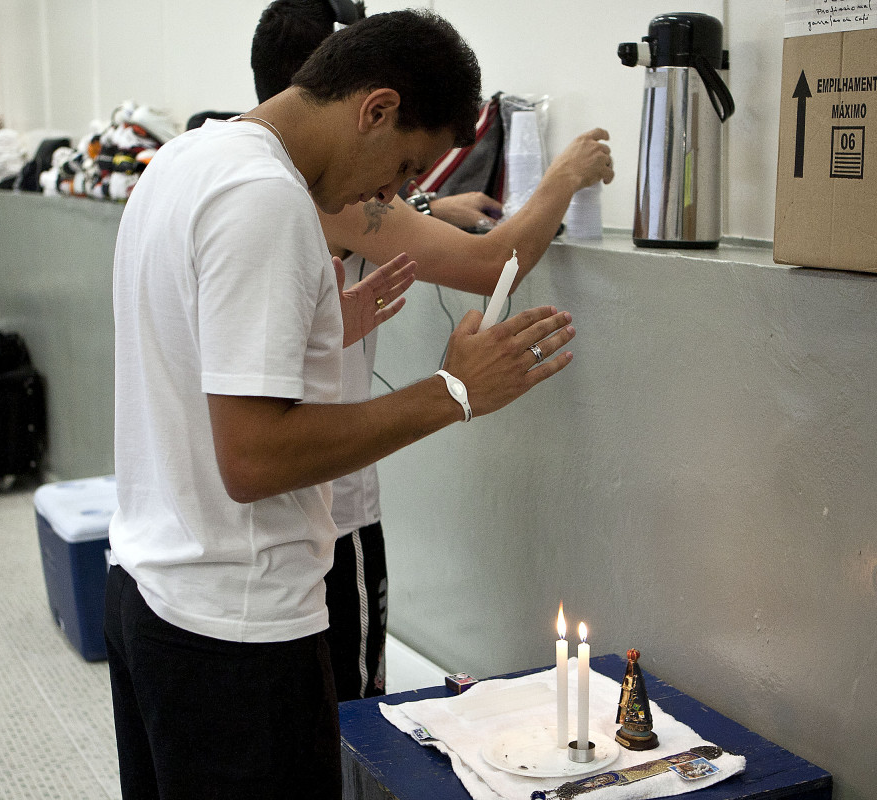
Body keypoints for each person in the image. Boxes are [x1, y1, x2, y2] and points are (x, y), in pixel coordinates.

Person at [104, 10, 576, 798]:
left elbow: (189, 353)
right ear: (377, 108)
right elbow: (254, 460)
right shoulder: (266, 198)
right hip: (236, 631)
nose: (392, 196)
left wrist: (320, 329)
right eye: (405, 167)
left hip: (151, 595)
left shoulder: (187, 158)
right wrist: (452, 390)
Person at [250, 0, 614, 700]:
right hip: (321, 515)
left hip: (260, 542)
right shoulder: (313, 196)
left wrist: (421, 210)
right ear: (361, 102)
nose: (396, 189)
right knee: (344, 712)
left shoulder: (230, 171)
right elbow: (493, 263)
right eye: (406, 166)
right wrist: (564, 176)